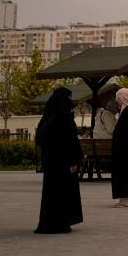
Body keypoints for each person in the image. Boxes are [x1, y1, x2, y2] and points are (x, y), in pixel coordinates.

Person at [35, 87, 83, 234]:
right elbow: (70, 142)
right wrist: (74, 161)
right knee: (62, 192)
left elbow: (40, 139)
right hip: (63, 163)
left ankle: (49, 222)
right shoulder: (64, 118)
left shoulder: (47, 117)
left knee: (51, 193)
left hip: (50, 162)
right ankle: (60, 223)